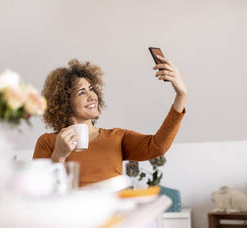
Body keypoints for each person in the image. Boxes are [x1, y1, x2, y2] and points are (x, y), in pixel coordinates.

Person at [33, 56, 187, 186]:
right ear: (64, 102)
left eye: (91, 89)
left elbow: (157, 147)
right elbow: (40, 192)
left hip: (113, 219)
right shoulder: (48, 142)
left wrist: (181, 95)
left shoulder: (117, 138)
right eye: (82, 92)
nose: (92, 96)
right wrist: (59, 156)